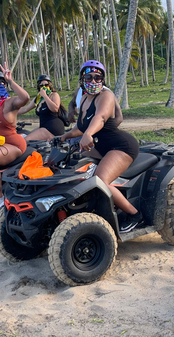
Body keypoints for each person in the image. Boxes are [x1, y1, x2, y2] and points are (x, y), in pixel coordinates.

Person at [59, 60, 140, 222]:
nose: (94, 81)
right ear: (82, 79)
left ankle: (134, 215)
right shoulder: (84, 99)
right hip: (100, 145)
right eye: (89, 77)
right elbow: (81, 127)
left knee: (101, 180)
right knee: (72, 169)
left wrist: (88, 134)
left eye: (98, 77)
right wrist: (64, 136)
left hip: (120, 146)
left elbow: (101, 117)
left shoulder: (106, 96)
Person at [0, 65, 30, 211]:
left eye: (0, 82)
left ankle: (0, 196)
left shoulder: (10, 103)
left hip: (13, 144)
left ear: (4, 84)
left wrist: (10, 81)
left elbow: (26, 98)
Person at [16, 74, 66, 141]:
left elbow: (55, 109)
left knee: (25, 140)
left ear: (50, 85)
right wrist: (10, 112)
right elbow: (25, 109)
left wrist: (45, 96)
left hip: (53, 128)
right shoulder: (38, 99)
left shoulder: (54, 95)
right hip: (43, 127)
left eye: (46, 85)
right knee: (24, 136)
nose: (44, 87)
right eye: (41, 85)